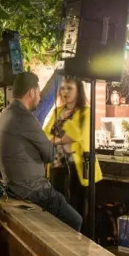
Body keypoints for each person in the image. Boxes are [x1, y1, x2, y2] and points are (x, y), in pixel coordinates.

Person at [0, 72, 83, 231]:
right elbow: (50, 154)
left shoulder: (6, 113)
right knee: (75, 220)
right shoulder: (25, 118)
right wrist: (55, 142)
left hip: (14, 187)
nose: (40, 97)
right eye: (38, 92)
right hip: (33, 191)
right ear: (31, 92)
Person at [42, 77, 102, 217]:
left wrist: (54, 140)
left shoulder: (86, 112)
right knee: (57, 209)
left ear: (78, 91)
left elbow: (76, 136)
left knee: (76, 211)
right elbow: (44, 134)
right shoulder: (57, 111)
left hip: (78, 170)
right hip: (57, 167)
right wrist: (57, 140)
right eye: (63, 88)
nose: (65, 92)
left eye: (69, 88)